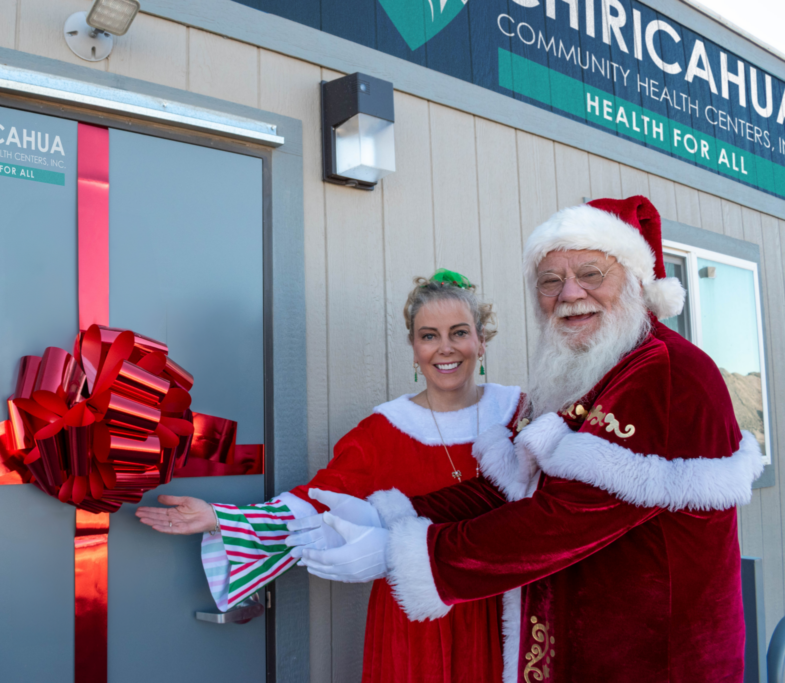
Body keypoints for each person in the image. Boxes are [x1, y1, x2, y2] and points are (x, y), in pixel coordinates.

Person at [303, 196, 764, 683]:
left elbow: (568, 515)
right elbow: (508, 486)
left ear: (635, 282)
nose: (569, 294)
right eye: (550, 281)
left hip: (654, 663)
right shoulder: (582, 374)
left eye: (590, 273)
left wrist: (409, 554)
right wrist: (394, 516)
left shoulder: (667, 371)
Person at [136, 270, 521, 683]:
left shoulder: (521, 413)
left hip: (513, 603)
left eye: (459, 332)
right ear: (413, 348)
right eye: (429, 336)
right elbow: (316, 502)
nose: (445, 348)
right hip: (421, 621)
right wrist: (221, 519)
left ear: (481, 340)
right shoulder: (383, 430)